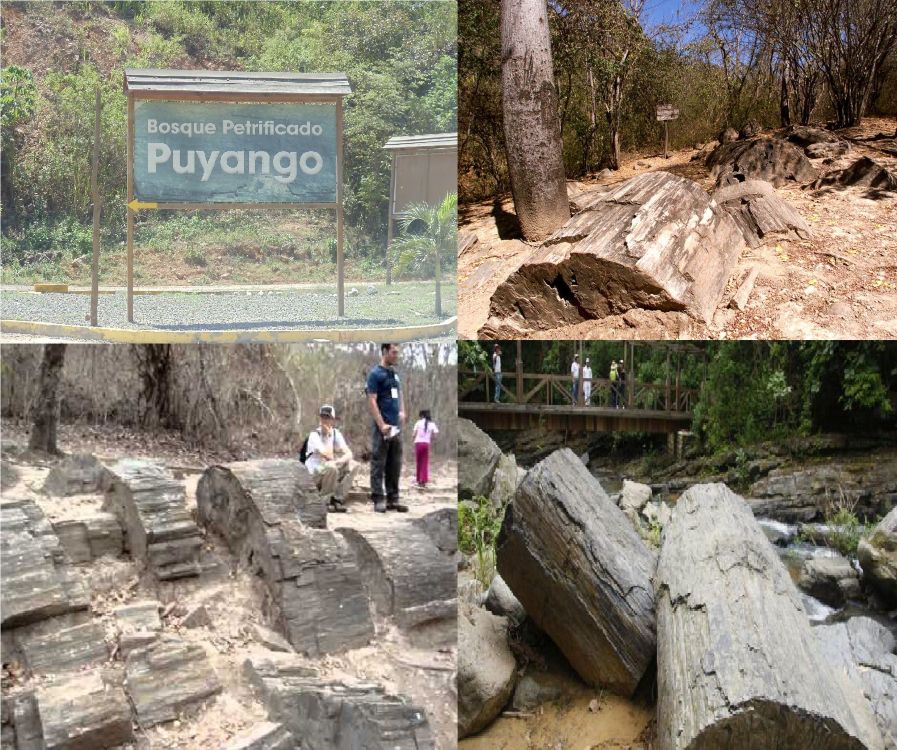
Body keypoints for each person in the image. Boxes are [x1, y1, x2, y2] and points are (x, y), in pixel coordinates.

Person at [366, 343, 408, 513]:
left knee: (395, 463)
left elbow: (400, 393)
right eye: (394, 352)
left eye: (398, 352)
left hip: (396, 427)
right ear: (384, 352)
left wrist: (403, 411)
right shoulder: (375, 374)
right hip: (383, 427)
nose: (396, 355)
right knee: (379, 462)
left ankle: (393, 498)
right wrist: (381, 424)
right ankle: (378, 498)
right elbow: (371, 400)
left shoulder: (394, 374)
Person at [304, 404, 356, 513]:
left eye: (327, 418)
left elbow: (349, 453)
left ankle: (337, 499)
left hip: (329, 471)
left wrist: (341, 461)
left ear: (332, 419)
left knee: (352, 465)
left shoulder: (336, 433)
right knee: (331, 467)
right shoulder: (314, 435)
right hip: (314, 475)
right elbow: (327, 455)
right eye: (322, 417)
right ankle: (324, 501)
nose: (324, 420)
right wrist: (327, 436)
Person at [412, 409, 439, 487]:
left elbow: (413, 435)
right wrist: (430, 438)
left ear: (422, 415)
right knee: (425, 462)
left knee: (418, 461)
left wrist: (414, 437)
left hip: (418, 443)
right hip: (426, 444)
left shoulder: (418, 423)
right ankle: (423, 480)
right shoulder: (432, 424)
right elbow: (435, 434)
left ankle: (418, 479)